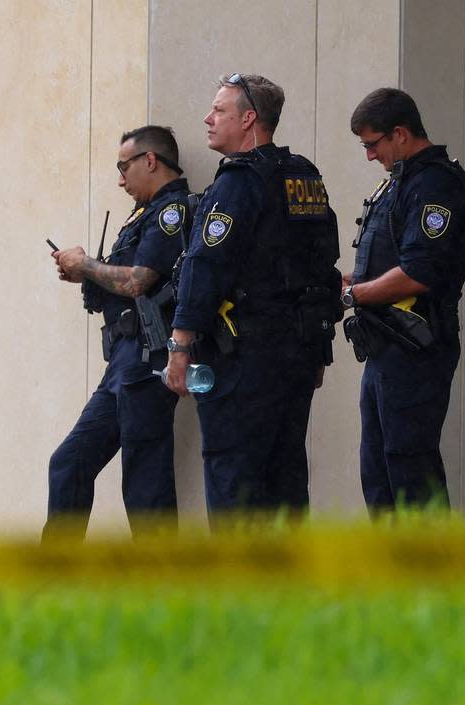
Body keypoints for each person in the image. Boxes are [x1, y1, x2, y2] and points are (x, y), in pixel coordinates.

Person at [165, 73, 341, 528]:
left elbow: (205, 268)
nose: (208, 118)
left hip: (244, 363)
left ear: (248, 119)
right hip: (296, 359)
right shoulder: (305, 178)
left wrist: (180, 348)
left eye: (219, 110)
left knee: (235, 488)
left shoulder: (238, 183)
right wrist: (320, 350)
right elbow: (324, 269)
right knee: (284, 485)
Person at [46, 126, 191, 540]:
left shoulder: (171, 211)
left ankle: (159, 591)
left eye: (123, 166)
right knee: (69, 462)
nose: (120, 179)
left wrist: (86, 264)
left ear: (150, 160)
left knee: (146, 485)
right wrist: (85, 275)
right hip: (124, 361)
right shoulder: (142, 215)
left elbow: (137, 281)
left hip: (149, 359)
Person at [341, 87, 465, 513]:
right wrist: (346, 282)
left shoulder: (435, 184)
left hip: (415, 348)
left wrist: (353, 294)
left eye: (372, 144)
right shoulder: (399, 184)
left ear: (399, 133)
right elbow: (388, 264)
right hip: (386, 347)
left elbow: (421, 271)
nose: (369, 156)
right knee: (378, 468)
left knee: (409, 470)